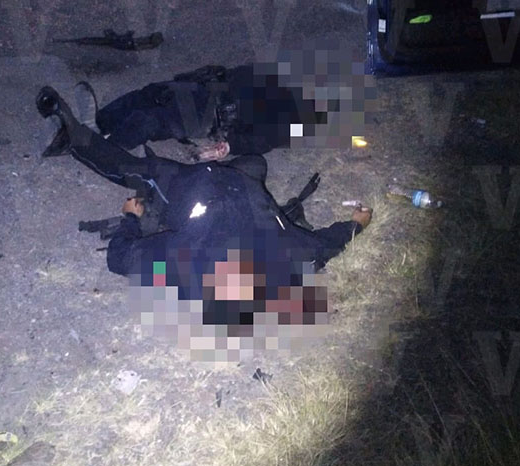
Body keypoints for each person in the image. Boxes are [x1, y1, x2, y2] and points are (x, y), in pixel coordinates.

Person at [36, 86, 373, 328]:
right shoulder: (286, 258)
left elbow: (120, 257)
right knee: (255, 162)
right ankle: (102, 132)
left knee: (142, 171)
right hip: (241, 181)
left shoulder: (190, 260)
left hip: (193, 187)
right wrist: (356, 225)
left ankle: (75, 138)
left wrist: (131, 217)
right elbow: (326, 245)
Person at [43, 64, 329, 161]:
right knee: (149, 94)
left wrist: (229, 146)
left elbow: (266, 139)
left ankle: (96, 147)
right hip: (204, 89)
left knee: (151, 120)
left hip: (210, 115)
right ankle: (94, 124)